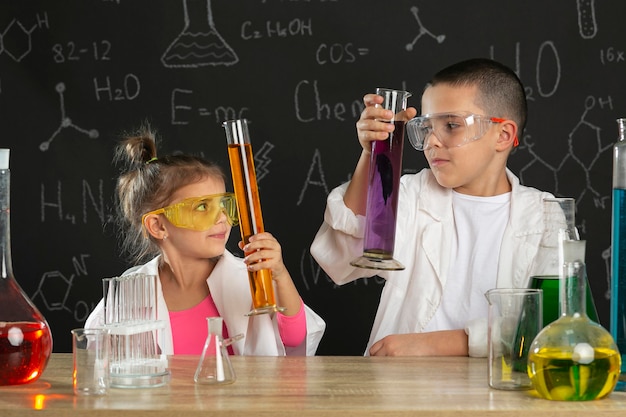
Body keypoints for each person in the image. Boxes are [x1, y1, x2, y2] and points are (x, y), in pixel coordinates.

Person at [310, 58, 556, 357]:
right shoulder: (412, 196)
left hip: (499, 392)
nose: (432, 141)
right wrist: (371, 153)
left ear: (503, 135)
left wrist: (434, 343)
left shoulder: (545, 216)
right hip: (402, 391)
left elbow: (553, 326)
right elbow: (339, 258)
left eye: (451, 125)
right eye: (425, 128)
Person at [86, 126, 325, 356]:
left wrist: (280, 275)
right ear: (158, 226)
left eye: (223, 204)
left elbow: (295, 339)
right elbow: (100, 361)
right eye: (202, 207)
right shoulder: (128, 294)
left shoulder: (251, 279)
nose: (221, 218)